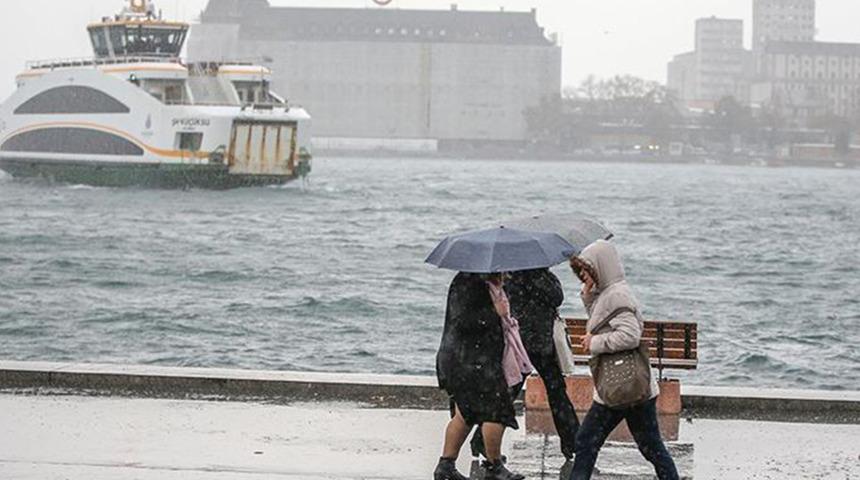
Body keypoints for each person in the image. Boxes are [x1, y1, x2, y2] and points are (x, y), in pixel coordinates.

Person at [568, 240, 679, 480]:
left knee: (587, 440)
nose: (583, 275)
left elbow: (630, 336)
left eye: (587, 270)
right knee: (651, 446)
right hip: (633, 387)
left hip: (618, 384)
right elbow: (603, 320)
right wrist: (587, 297)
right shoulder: (610, 292)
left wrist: (594, 343)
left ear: (601, 267)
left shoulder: (616, 295)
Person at [470, 268, 580, 459]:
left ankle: (480, 439)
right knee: (556, 392)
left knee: (512, 391)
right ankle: (572, 442)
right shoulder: (540, 275)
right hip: (537, 342)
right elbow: (557, 297)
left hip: (522, 340)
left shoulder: (511, 274)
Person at [434, 272, 528, 480]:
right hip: (470, 362)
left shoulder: (487, 283)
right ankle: (494, 466)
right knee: (496, 412)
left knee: (466, 415)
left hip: (475, 361)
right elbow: (463, 321)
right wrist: (494, 312)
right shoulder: (468, 283)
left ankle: (446, 466)